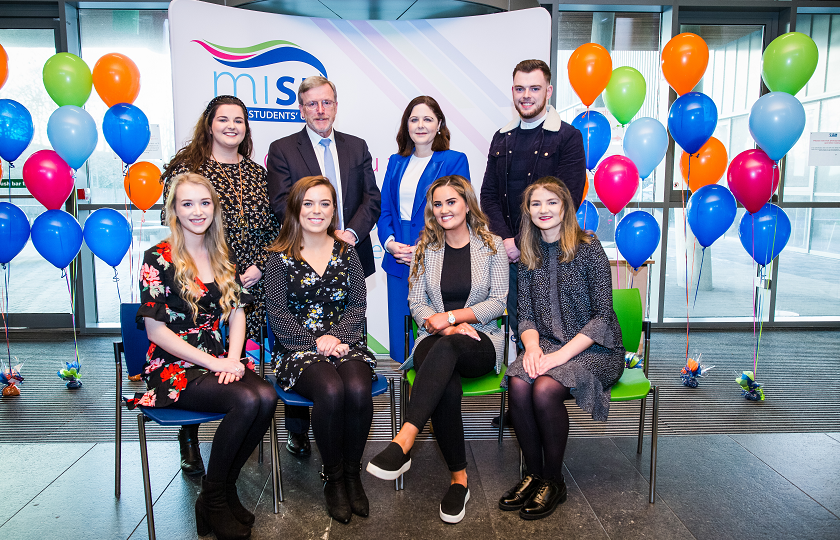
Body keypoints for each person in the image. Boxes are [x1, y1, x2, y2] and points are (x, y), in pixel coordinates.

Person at [131, 173, 277, 540]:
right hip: (174, 365)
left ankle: (220, 488)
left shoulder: (220, 253)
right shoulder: (157, 257)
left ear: (214, 208)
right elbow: (156, 332)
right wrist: (218, 364)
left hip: (218, 358)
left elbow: (237, 311)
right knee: (247, 400)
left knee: (267, 397)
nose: (197, 211)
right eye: (187, 204)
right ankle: (215, 499)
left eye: (204, 203)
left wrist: (233, 357)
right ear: (174, 211)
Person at [367, 176, 508, 524]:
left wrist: (454, 318)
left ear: (466, 204)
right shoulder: (425, 248)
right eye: (438, 203)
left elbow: (498, 301)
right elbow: (416, 302)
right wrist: (445, 325)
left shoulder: (491, 245)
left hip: (481, 340)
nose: (444, 209)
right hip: (436, 337)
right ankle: (459, 480)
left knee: (449, 349)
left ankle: (405, 439)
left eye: (451, 202)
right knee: (445, 378)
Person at [160, 95, 280, 476]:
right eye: (224, 119)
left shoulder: (259, 174)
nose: (232, 126)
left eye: (239, 120)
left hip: (252, 281)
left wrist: (259, 267)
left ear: (246, 128)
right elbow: (179, 226)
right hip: (204, 276)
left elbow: (275, 228)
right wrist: (214, 270)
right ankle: (190, 436)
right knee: (197, 348)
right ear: (209, 123)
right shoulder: (188, 169)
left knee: (245, 359)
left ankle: (241, 436)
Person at [266, 76, 381, 458]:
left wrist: (348, 235)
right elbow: (283, 201)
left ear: (335, 105)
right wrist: (318, 233)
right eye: (312, 104)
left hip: (346, 250)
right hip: (301, 251)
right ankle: (298, 430)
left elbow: (371, 198)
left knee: (347, 324)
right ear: (301, 108)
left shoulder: (357, 146)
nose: (320, 110)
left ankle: (344, 459)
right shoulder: (283, 148)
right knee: (318, 375)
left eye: (326, 103)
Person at [498, 177, 624, 520]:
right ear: (528, 211)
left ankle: (554, 481)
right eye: (536, 204)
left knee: (544, 389)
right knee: (519, 382)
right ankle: (533, 475)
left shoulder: (589, 246)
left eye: (551, 202)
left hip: (597, 349)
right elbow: (524, 315)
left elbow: (603, 316)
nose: (544, 210)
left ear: (565, 206)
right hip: (549, 345)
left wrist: (558, 356)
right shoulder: (528, 254)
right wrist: (534, 349)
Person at [480, 59, 586, 428]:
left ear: (549, 91)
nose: (527, 96)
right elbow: (488, 195)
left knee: (550, 322)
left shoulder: (568, 137)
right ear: (513, 91)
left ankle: (545, 391)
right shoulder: (502, 137)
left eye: (534, 88)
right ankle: (520, 401)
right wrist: (508, 239)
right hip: (509, 251)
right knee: (519, 324)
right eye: (520, 89)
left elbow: (568, 196)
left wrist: (528, 242)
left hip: (551, 253)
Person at [264, 175, 376, 524]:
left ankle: (353, 473)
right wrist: (316, 343)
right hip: (297, 348)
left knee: (357, 388)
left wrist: (338, 338)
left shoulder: (347, 251)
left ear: (333, 210)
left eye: (325, 203)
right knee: (329, 388)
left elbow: (358, 305)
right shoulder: (277, 257)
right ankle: (333, 477)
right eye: (309, 203)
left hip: (347, 342)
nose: (317, 210)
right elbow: (277, 314)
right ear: (296, 208)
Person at [378, 96, 470, 364]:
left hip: (436, 257)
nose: (420, 125)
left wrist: (425, 246)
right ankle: (407, 399)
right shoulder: (395, 162)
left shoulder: (453, 160)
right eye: (414, 119)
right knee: (401, 337)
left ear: (439, 124)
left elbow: (454, 210)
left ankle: (430, 393)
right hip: (398, 260)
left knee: (432, 336)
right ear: (406, 125)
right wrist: (389, 243)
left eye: (428, 119)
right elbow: (384, 210)